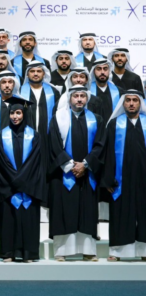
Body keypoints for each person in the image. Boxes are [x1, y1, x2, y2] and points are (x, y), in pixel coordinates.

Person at [47, 85, 104, 261]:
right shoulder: (58, 118)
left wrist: (85, 165)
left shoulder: (97, 119)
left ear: (87, 99)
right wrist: (71, 165)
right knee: (64, 211)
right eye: (75, 96)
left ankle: (88, 251)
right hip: (64, 174)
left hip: (87, 173)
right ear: (69, 98)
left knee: (87, 212)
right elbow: (54, 144)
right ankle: (62, 251)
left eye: (82, 96)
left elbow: (100, 145)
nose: (79, 99)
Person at [0, 96, 45, 262]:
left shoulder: (35, 136)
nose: (15, 116)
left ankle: (28, 253)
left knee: (28, 220)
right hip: (9, 189)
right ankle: (8, 253)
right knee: (8, 220)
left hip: (28, 189)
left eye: (18, 113)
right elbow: (1, 163)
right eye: (12, 113)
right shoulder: (1, 136)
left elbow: (35, 162)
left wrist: (20, 182)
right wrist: (15, 182)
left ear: (24, 114)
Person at [101, 90, 146, 261]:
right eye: (128, 100)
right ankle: (117, 251)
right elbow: (107, 154)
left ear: (140, 103)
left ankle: (144, 251)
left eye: (135, 100)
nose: (132, 103)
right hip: (121, 178)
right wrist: (108, 178)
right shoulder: (114, 124)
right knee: (120, 212)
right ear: (123, 103)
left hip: (143, 177)